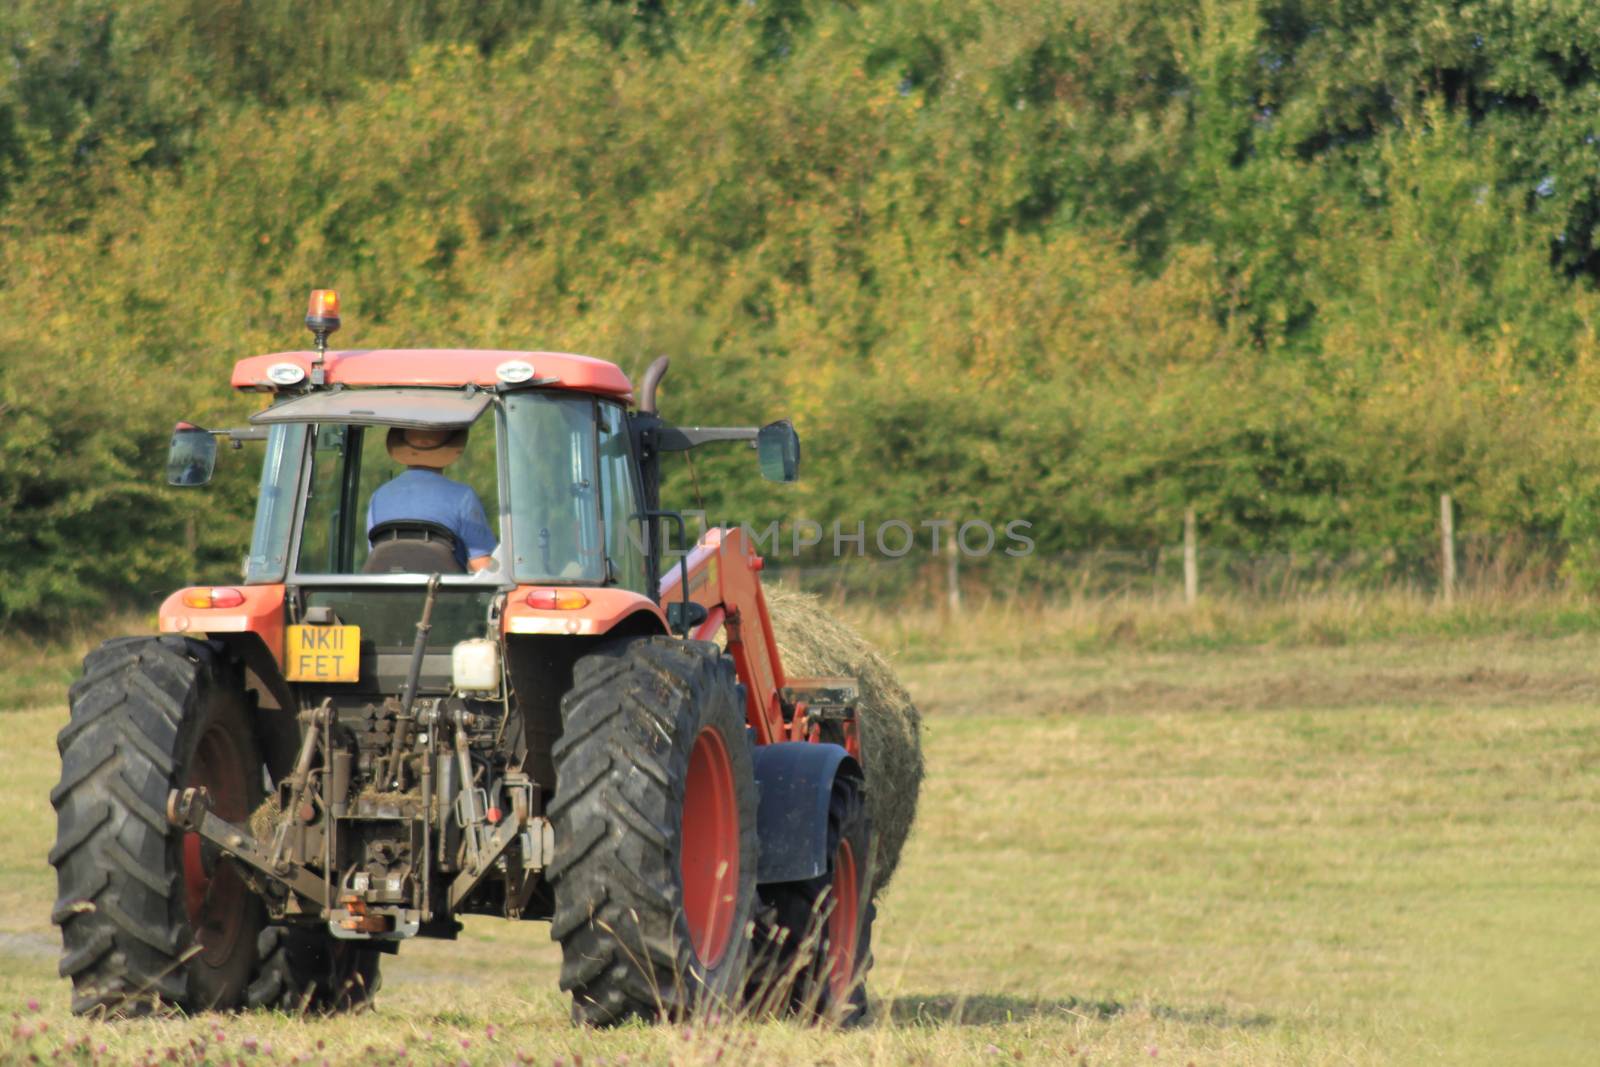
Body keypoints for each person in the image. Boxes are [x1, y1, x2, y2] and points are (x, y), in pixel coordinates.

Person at [367, 427, 498, 572]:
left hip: (386, 591)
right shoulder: (463, 496)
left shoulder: (378, 496)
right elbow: (482, 565)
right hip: (445, 592)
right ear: (448, 449)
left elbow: (376, 554)